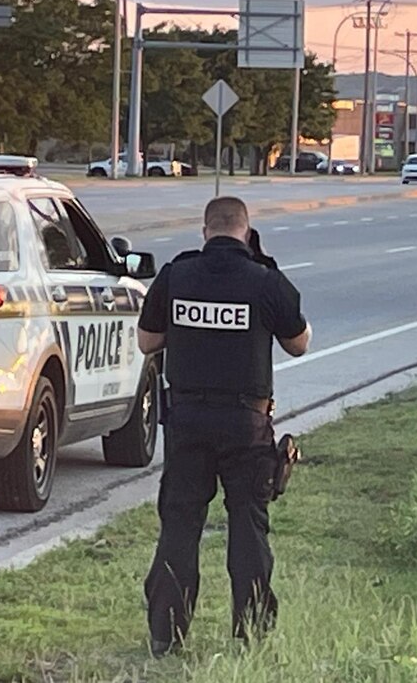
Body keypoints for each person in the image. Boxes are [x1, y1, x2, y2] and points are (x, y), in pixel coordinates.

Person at [137, 196, 311, 657]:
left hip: (187, 422)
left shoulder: (176, 274)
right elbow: (299, 343)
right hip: (245, 424)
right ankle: (251, 632)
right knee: (248, 528)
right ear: (246, 233)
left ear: (205, 231)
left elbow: (147, 341)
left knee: (180, 526)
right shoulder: (264, 279)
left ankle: (166, 635)